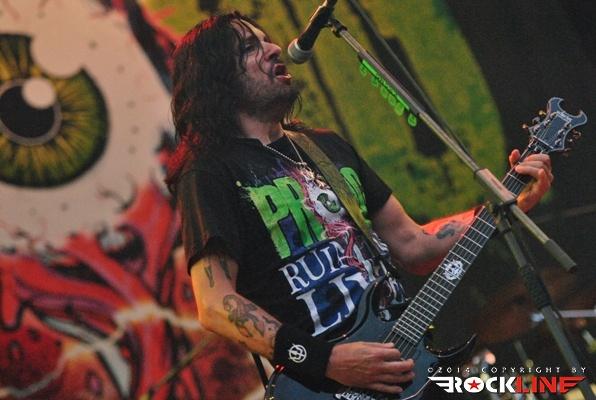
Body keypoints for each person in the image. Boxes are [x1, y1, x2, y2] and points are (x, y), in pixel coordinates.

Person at [166, 11, 553, 395]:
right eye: (250, 47)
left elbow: (414, 245)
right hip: (323, 384)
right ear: (217, 77)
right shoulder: (209, 171)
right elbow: (215, 303)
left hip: (399, 361)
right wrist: (327, 362)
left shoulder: (324, 147)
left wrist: (508, 205)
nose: (273, 49)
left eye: (267, 39)